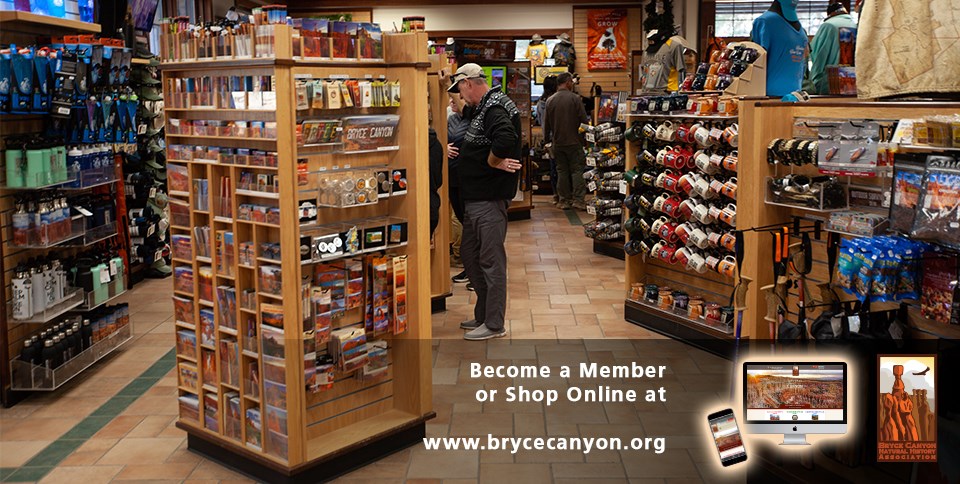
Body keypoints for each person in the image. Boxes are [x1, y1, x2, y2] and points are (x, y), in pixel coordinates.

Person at [447, 63, 522, 341]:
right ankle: (483, 313)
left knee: (491, 261)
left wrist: (495, 161)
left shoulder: (495, 107)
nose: (460, 96)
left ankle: (494, 324)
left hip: (489, 199)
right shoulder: (484, 105)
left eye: (460, 89)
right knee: (470, 254)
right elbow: (465, 110)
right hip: (476, 199)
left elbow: (505, 137)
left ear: (468, 83)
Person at [543, 72, 589, 211]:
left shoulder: (550, 100)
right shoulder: (575, 99)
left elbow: (546, 124)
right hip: (574, 141)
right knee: (577, 170)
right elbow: (583, 121)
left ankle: (564, 200)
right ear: (568, 82)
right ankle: (578, 200)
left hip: (558, 143)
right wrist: (586, 139)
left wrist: (547, 141)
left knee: (561, 171)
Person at [751, 0, 808, 97]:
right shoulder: (765, 22)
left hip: (796, 94)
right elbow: (756, 62)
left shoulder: (801, 29)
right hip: (770, 96)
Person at [805, 2, 857, 94]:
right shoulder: (855, 25)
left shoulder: (829, 25)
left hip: (829, 81)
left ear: (829, 13)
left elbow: (816, 52)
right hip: (852, 81)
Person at [447, 92, 472, 284]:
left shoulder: (473, 120)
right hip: (452, 179)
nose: (452, 102)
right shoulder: (450, 119)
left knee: (472, 226)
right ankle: (469, 267)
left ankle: (476, 273)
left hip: (469, 180)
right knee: (464, 223)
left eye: (457, 98)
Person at [535, 76, 560, 206]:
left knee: (553, 168)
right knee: (562, 168)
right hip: (559, 137)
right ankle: (564, 196)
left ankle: (555, 194)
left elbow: (540, 121)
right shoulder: (556, 101)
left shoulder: (540, 103)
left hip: (548, 139)